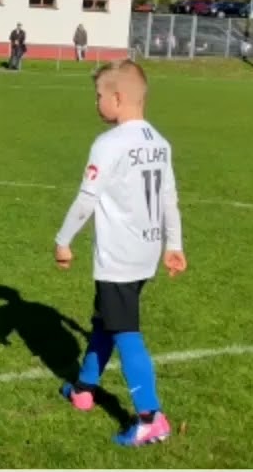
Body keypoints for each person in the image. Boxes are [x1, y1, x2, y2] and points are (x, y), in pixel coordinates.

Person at [52, 60, 187, 447]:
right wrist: (173, 245)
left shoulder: (108, 144)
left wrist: (63, 240)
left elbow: (86, 199)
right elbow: (169, 199)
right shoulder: (160, 142)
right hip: (146, 252)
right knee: (105, 321)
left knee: (126, 331)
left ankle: (150, 417)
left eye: (98, 95)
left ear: (117, 97)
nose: (96, 102)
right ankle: (84, 388)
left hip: (118, 256)